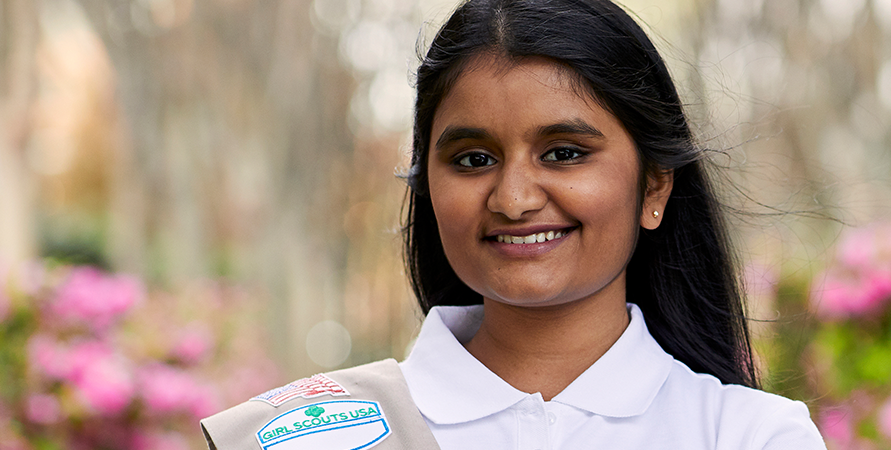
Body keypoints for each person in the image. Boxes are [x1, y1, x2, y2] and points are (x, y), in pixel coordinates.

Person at [199, 0, 827, 448]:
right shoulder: (312, 436)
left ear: (654, 186)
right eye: (473, 160)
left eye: (564, 153)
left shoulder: (747, 434)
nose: (515, 198)